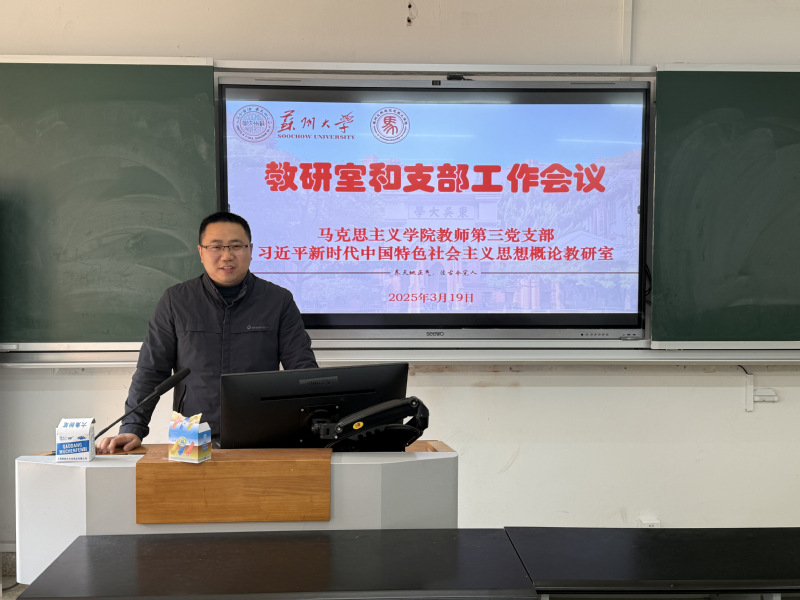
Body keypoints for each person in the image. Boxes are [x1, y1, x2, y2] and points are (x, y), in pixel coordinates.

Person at [96, 211, 317, 453]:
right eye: (216, 247)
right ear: (201, 252)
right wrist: (132, 427)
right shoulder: (176, 300)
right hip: (189, 431)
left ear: (251, 250)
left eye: (236, 246)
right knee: (183, 480)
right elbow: (151, 370)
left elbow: (302, 369)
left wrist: (316, 425)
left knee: (260, 479)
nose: (227, 255)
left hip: (261, 428)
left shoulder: (278, 301)